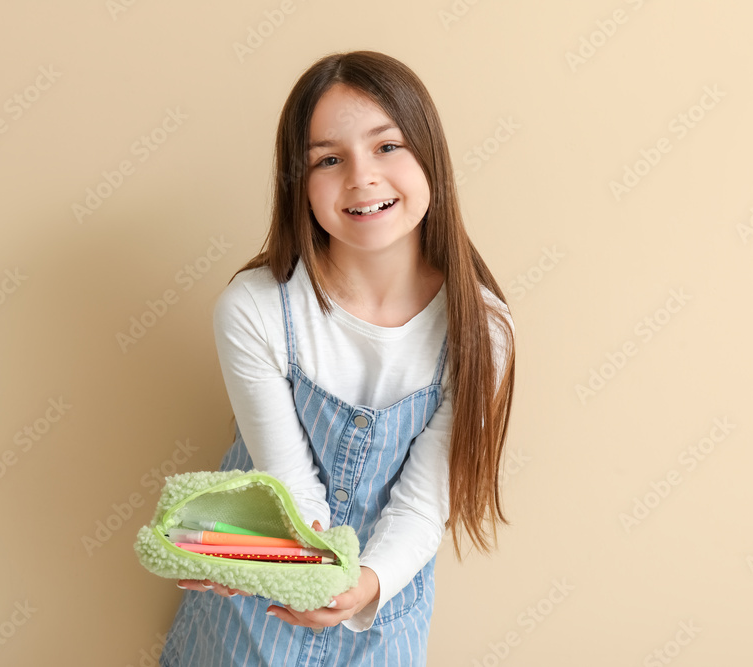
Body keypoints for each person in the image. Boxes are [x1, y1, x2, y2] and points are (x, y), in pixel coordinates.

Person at [159, 50, 516, 666]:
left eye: (388, 147)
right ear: (299, 184)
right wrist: (310, 572)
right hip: (260, 595)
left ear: (430, 155)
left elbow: (426, 501)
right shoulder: (256, 308)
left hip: (385, 603)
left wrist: (363, 584)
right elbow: (289, 487)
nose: (361, 177)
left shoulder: (481, 330)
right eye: (328, 159)